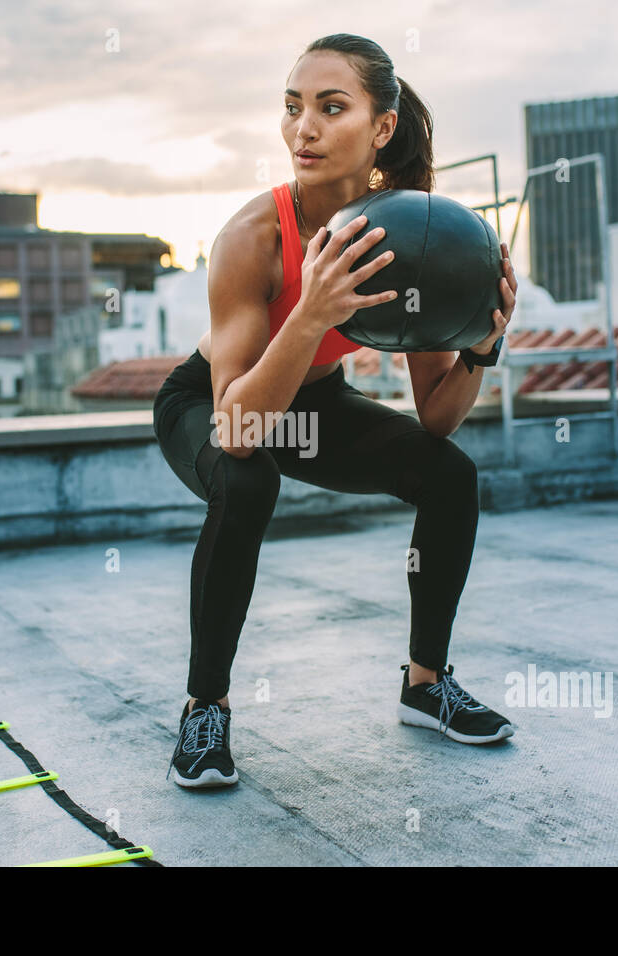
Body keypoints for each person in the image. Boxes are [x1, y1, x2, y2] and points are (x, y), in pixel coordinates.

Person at [152, 33, 517, 788]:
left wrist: (482, 346)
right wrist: (310, 316)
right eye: (291, 108)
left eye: (330, 107)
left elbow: (437, 418)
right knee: (247, 482)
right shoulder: (253, 239)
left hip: (314, 403)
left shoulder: (405, 232)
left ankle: (425, 686)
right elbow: (239, 430)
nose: (303, 129)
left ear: (380, 128)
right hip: (217, 402)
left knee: (449, 474)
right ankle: (205, 709)